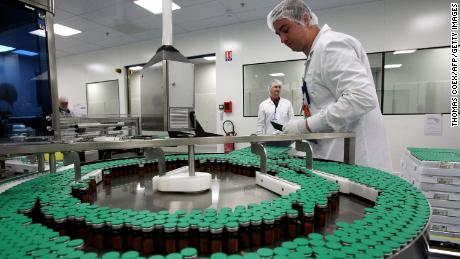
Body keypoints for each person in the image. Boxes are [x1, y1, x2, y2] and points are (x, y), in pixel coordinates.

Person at [267, 0, 391, 172]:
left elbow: (361, 98)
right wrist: (302, 125)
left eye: (285, 30)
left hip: (357, 161)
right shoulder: (315, 55)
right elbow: (323, 106)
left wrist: (304, 127)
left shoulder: (330, 45)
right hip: (336, 159)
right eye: (278, 34)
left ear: (305, 19)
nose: (282, 39)